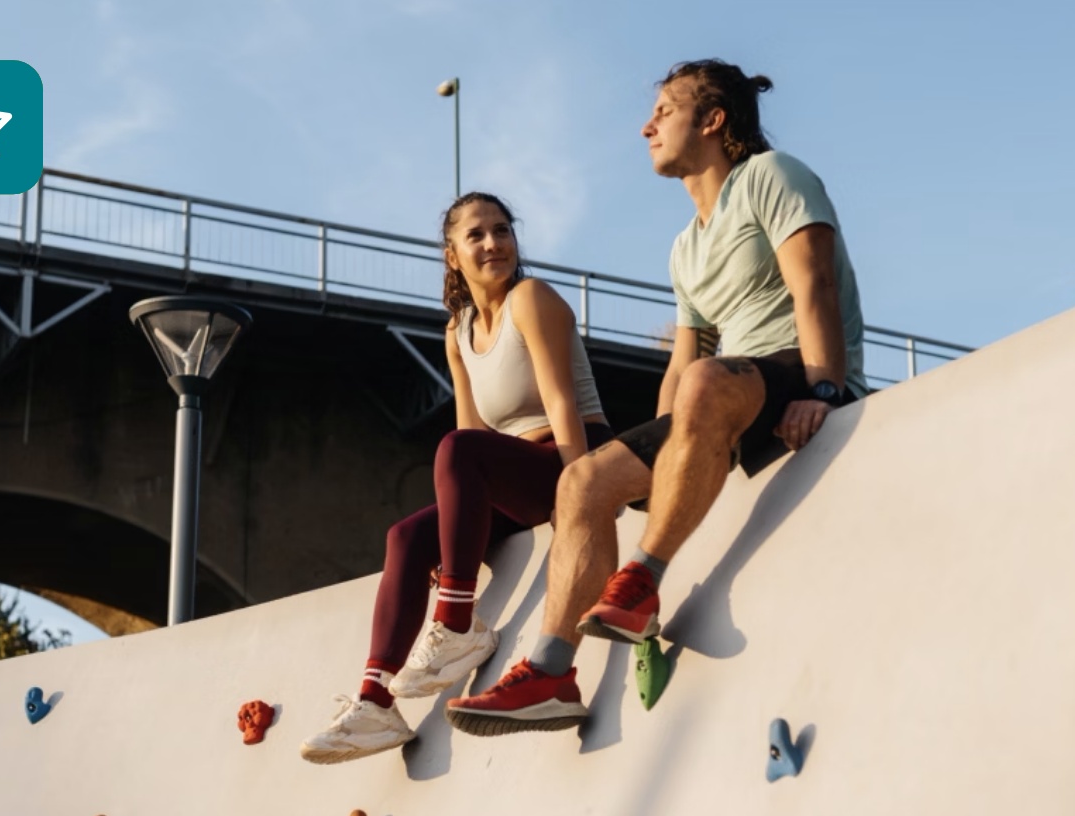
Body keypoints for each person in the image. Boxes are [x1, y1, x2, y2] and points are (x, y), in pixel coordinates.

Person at [446, 59, 869, 735]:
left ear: (712, 119)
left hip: (791, 370)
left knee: (705, 382)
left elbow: (813, 284)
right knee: (581, 479)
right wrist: (663, 453)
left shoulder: (772, 176)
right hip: (722, 397)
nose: (647, 126)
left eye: (664, 112)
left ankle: (642, 579)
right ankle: (552, 671)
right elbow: (681, 366)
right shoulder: (685, 247)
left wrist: (825, 387)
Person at [300, 192, 613, 763]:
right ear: (452, 254)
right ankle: (374, 703)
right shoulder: (459, 332)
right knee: (406, 538)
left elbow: (563, 404)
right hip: (510, 472)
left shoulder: (532, 299)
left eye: (502, 230)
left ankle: (455, 621)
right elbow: (474, 440)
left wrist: (581, 489)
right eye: (476, 235)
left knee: (458, 449)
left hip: (570, 453)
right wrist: (453, 542)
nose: (494, 243)